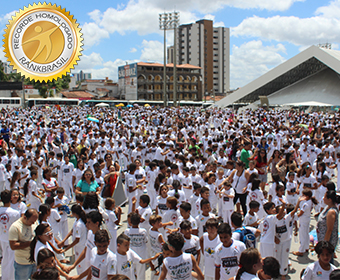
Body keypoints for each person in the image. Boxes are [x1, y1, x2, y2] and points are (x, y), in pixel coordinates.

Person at [9, 208, 39, 280]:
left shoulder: (35, 222)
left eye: (35, 221)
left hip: (35, 260)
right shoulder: (15, 227)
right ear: (25, 217)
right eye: (32, 221)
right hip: (23, 262)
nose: (34, 223)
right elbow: (13, 246)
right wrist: (30, 243)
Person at [0, 189, 21, 280]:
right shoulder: (15, 213)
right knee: (12, 259)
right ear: (11, 198)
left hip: (2, 237)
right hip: (12, 238)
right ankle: (11, 277)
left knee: (4, 258)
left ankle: (5, 277)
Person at [316, 190, 339, 257]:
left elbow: (329, 230)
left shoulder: (331, 212)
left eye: (325, 197)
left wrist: (324, 247)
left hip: (327, 243)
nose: (323, 198)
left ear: (329, 199)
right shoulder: (327, 207)